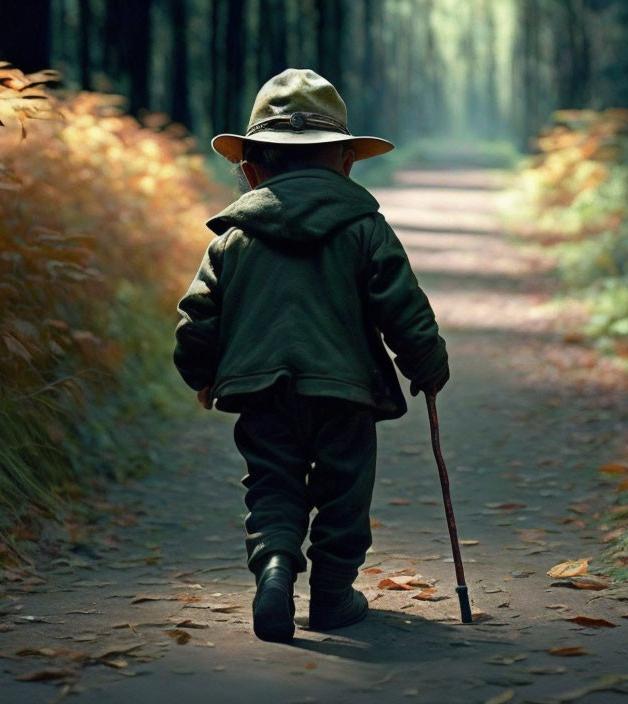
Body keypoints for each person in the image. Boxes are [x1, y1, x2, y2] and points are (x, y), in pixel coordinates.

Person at [174, 68, 448, 643]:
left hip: (259, 389)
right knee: (344, 489)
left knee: (272, 482)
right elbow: (401, 303)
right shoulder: (366, 228)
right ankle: (330, 595)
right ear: (347, 162)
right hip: (344, 390)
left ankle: (274, 566)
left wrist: (201, 373)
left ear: (250, 167)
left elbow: (199, 317)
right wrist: (425, 362)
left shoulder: (231, 238)